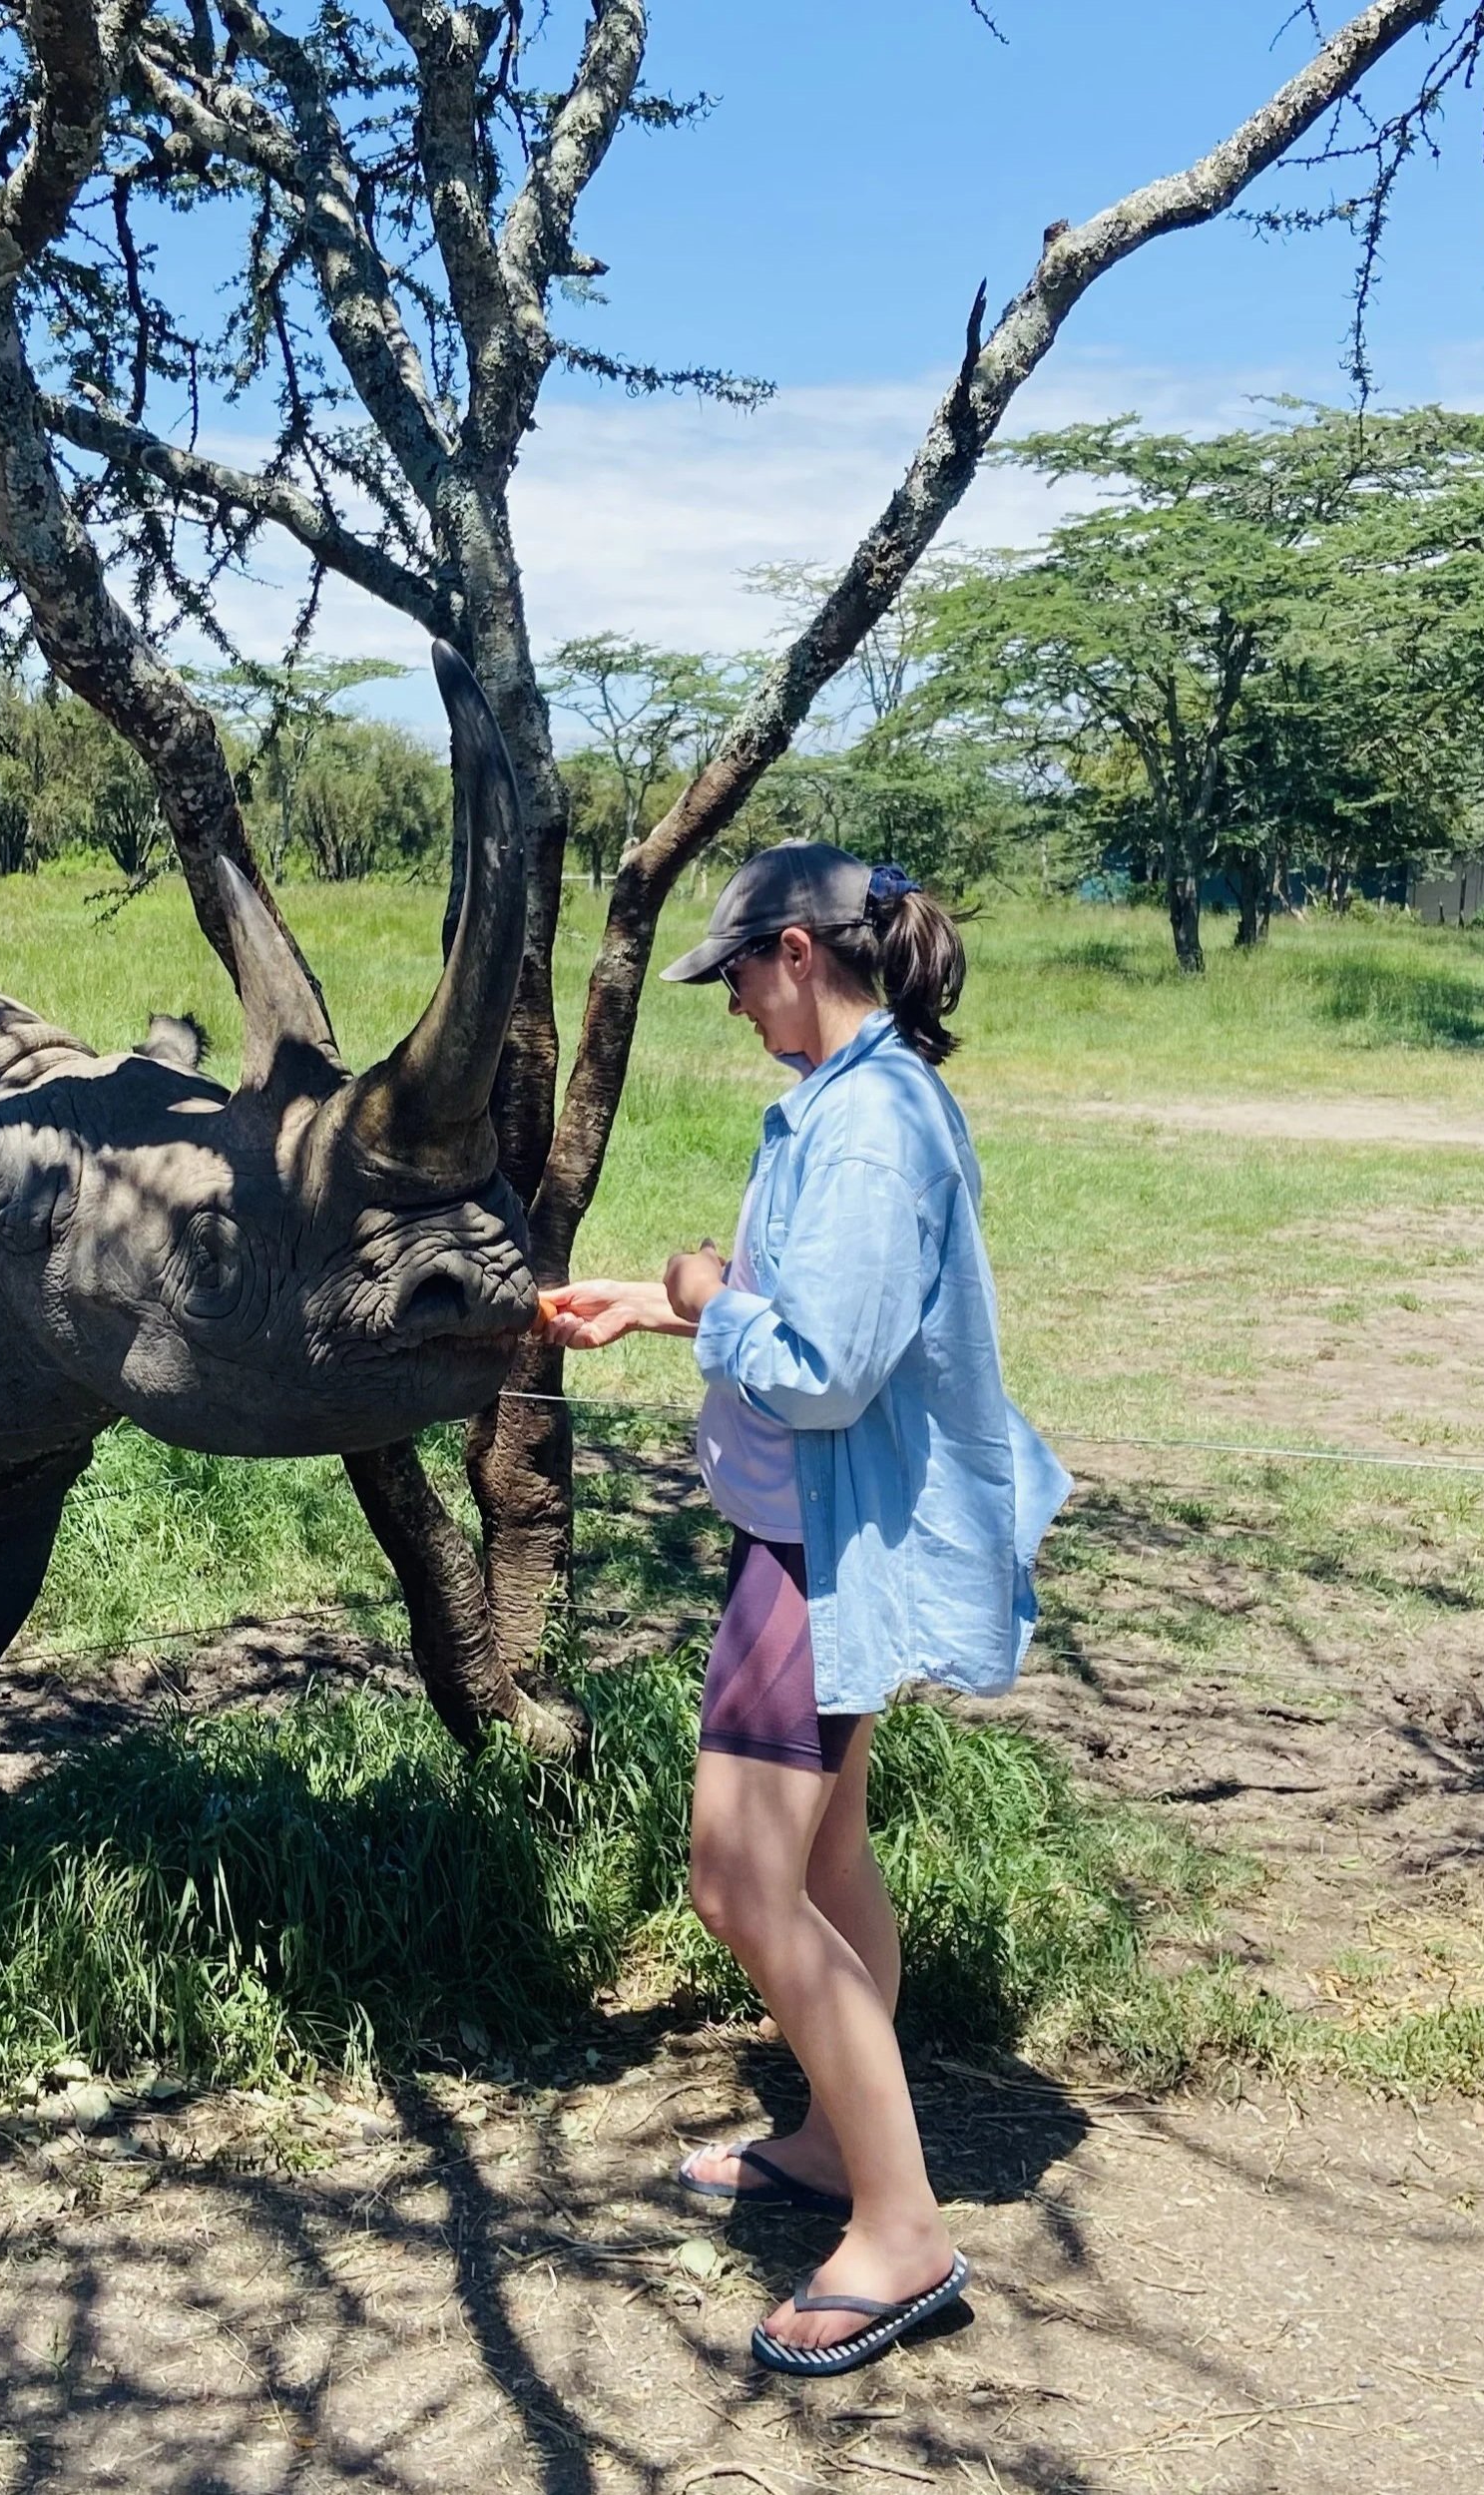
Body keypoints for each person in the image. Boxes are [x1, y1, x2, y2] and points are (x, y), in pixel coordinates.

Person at [546, 840, 1069, 2379]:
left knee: (738, 1879)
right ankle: (846, 2153)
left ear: (793, 950)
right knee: (826, 1860)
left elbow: (826, 1374)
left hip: (816, 1550)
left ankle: (901, 2232)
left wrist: (706, 1297)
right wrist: (657, 1307)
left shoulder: (865, 1134)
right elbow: (834, 1328)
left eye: (735, 981)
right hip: (806, 1530)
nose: (730, 1010)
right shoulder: (856, 1101)